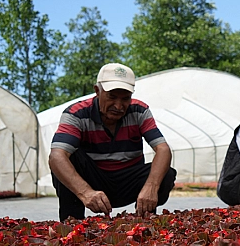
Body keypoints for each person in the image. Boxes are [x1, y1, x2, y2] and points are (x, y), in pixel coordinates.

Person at [49, 63, 177, 221]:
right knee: (67, 158)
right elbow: (56, 156)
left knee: (166, 173)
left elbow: (163, 149)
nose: (118, 106)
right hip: (94, 180)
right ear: (97, 91)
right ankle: (72, 222)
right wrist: (86, 192)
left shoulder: (139, 111)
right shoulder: (76, 114)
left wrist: (151, 187)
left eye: (125, 99)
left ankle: (145, 218)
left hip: (128, 180)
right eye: (112, 97)